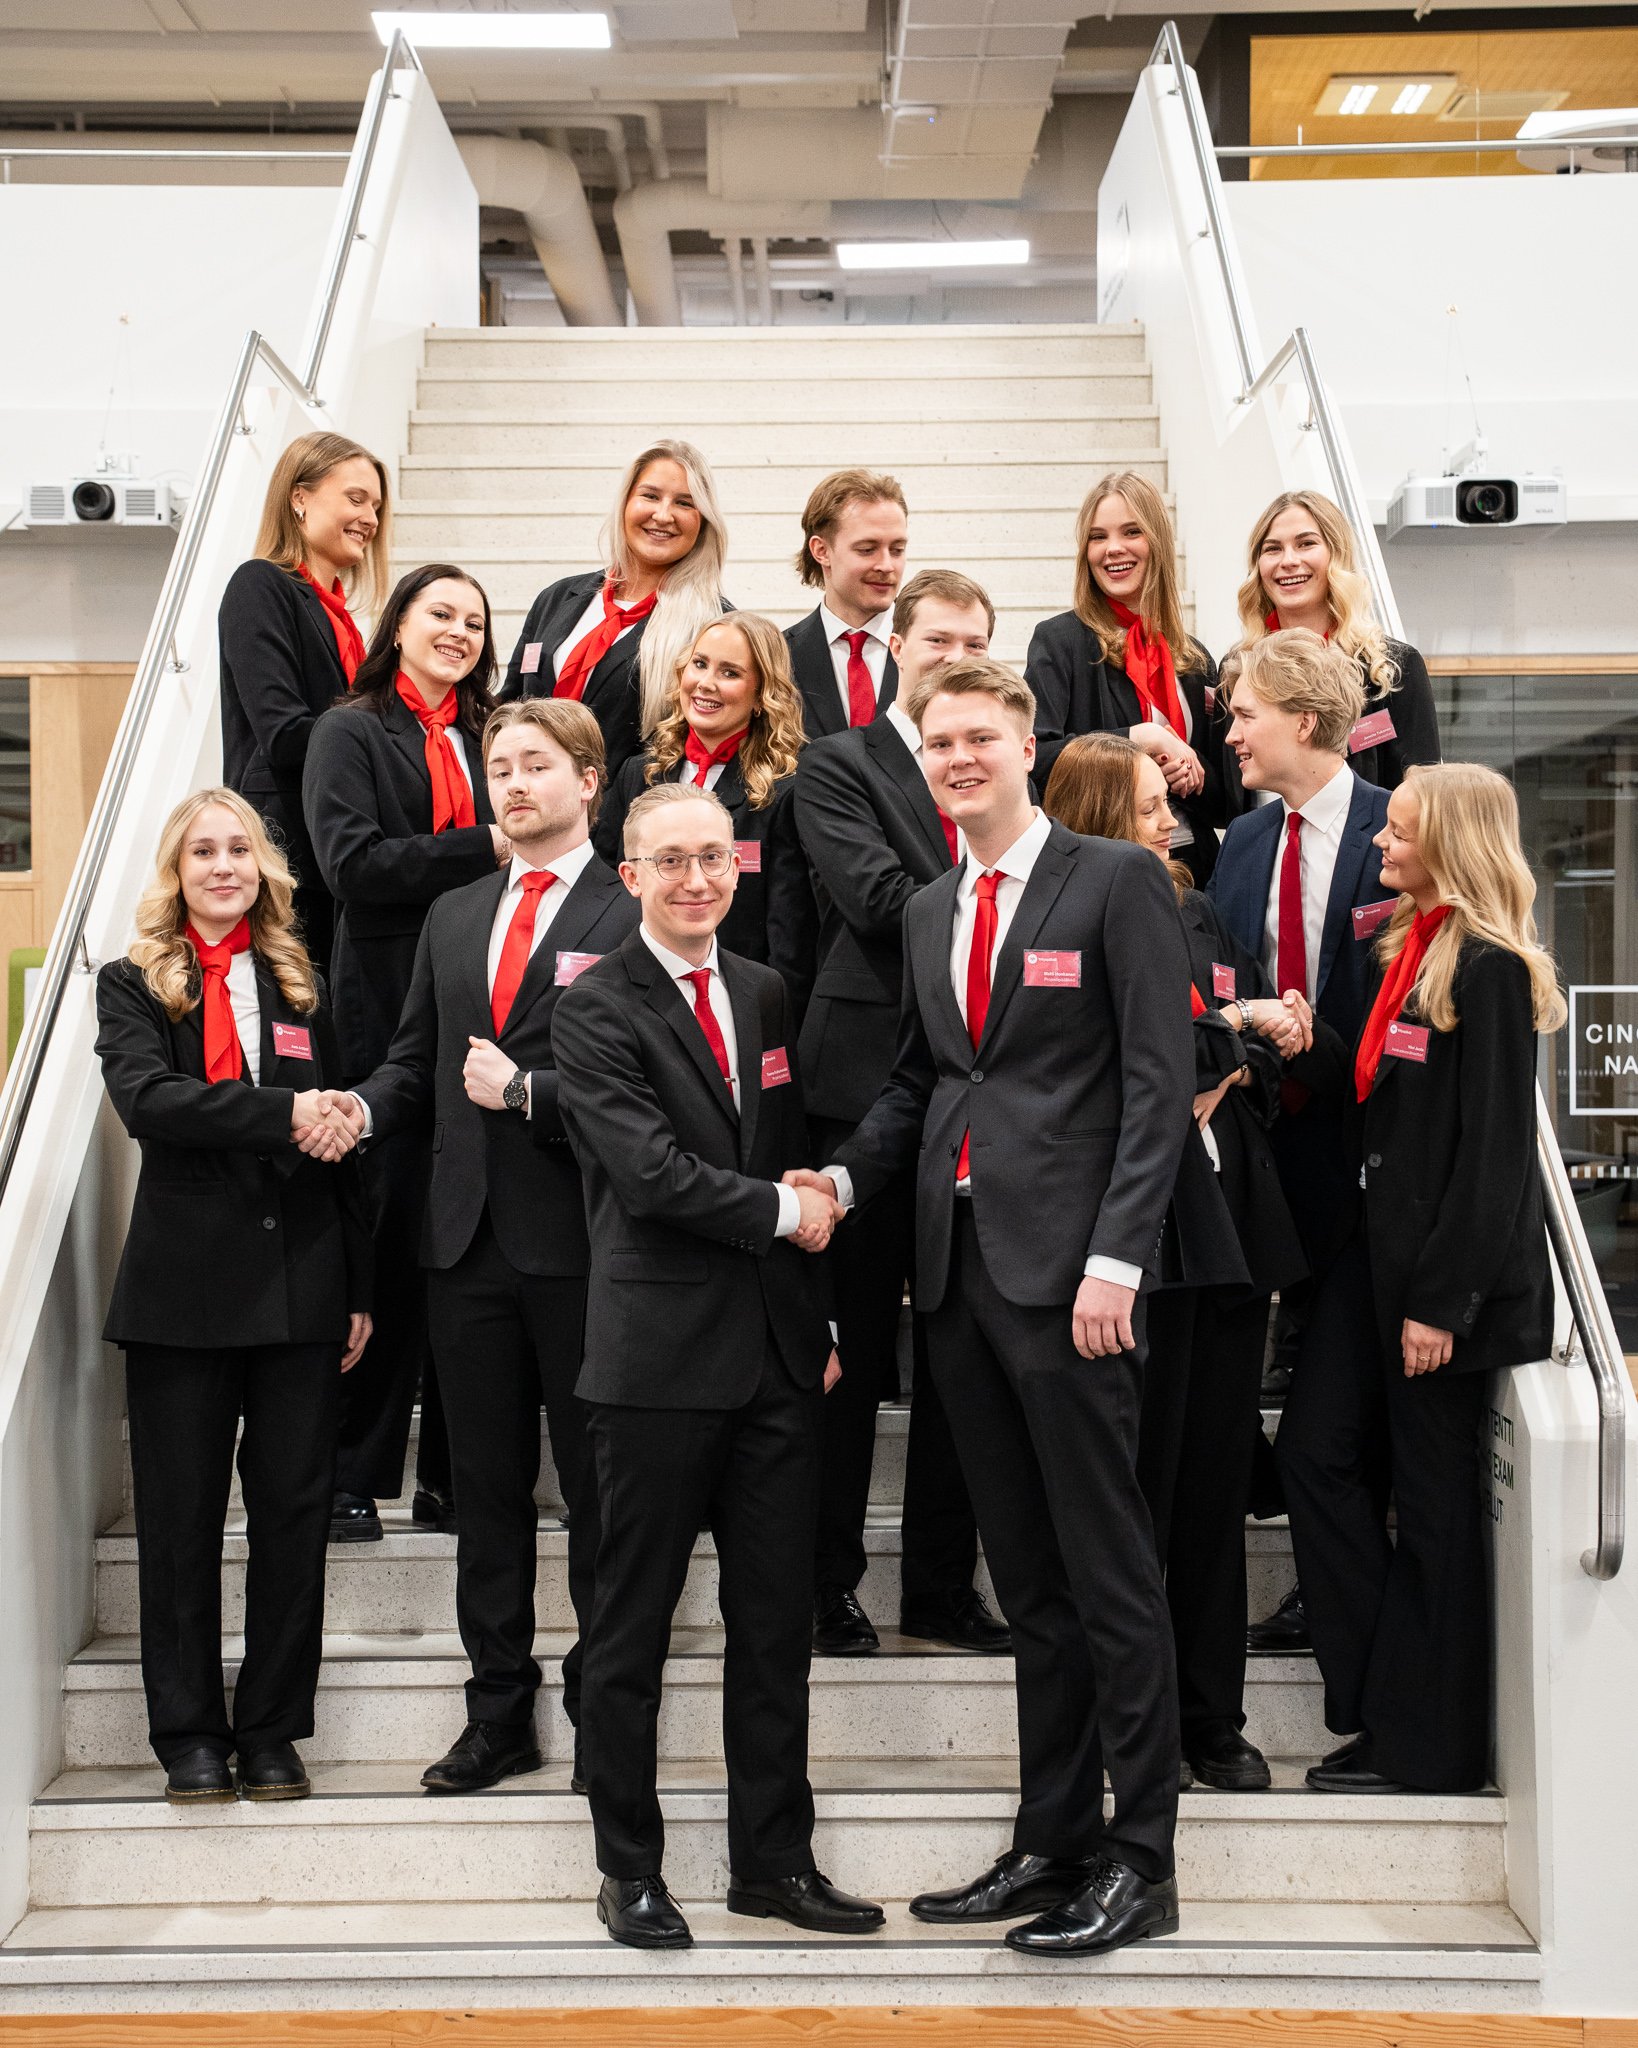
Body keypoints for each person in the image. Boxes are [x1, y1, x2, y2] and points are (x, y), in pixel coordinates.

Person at [801, 657, 1196, 1959]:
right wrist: (850, 1176)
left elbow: (1155, 1086)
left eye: (980, 735)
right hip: (957, 1282)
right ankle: (1050, 1840)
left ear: (1025, 744)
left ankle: (1141, 1859)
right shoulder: (927, 909)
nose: (959, 757)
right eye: (938, 743)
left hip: (1070, 1283)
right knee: (1026, 1584)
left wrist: (1116, 1264)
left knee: (1108, 1577)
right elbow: (923, 1084)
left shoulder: (1115, 880)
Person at [550, 782, 884, 1951]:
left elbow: (787, 1150)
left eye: (714, 858)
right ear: (628, 872)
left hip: (780, 1364)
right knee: (630, 1629)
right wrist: (790, 1221)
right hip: (654, 1368)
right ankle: (628, 1868)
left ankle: (773, 1863)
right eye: (670, 861)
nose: (697, 879)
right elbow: (649, 1175)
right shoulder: (593, 1007)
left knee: (773, 1630)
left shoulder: (764, 989)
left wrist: (824, 1319)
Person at [325, 699, 639, 1798]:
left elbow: (652, 1083)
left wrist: (536, 1095)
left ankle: (604, 1705)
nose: (513, 783)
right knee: (488, 1496)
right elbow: (415, 1063)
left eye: (537, 764)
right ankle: (497, 1710)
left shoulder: (632, 904)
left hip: (591, 1248)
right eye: (499, 765)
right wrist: (360, 1112)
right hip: (463, 1247)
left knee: (601, 1497)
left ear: (588, 778)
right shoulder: (453, 913)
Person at [1277, 764, 1564, 1794]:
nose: (1380, 847)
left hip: (1441, 1288)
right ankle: (1377, 1697)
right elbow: (1390, 1092)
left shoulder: (1487, 965)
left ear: (1448, 841)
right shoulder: (1412, 945)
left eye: (1397, 833)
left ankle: (1432, 1749)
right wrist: (1310, 1040)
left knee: (1438, 1517)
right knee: (1311, 1453)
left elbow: (1491, 1158)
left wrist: (1442, 1304)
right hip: (1371, 1256)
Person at [93, 788, 372, 1807]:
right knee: (180, 1520)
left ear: (263, 868)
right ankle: (189, 1733)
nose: (223, 865)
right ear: (176, 869)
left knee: (294, 1515)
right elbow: (151, 1103)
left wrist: (358, 1286)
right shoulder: (131, 985)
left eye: (239, 849)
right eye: (203, 849)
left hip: (302, 1288)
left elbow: (340, 1150)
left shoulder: (301, 986)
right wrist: (289, 1111)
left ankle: (268, 1728)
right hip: (181, 1296)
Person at [1043, 733, 1308, 1793]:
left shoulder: (1189, 904)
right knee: (1133, 1500)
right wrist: (1224, 1040)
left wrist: (1229, 1039)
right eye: (1152, 807)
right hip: (1120, 1238)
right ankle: (1134, 1729)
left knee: (1208, 1495)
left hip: (1222, 1230)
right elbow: (1161, 1054)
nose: (1175, 824)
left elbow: (1218, 1050)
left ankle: (1213, 1718)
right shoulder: (1054, 915)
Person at [793, 569, 1003, 1659]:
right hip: (862, 1087)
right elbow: (875, 901)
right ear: (895, 643)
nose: (952, 653)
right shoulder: (840, 762)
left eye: (974, 640)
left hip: (983, 1091)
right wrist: (997, 882)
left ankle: (941, 1585)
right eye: (936, 638)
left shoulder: (1000, 769)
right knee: (853, 1353)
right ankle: (829, 1581)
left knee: (963, 1351)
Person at [304, 565, 507, 1543]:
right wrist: (489, 845)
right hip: (386, 1000)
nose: (459, 631)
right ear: (400, 623)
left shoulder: (496, 732)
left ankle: (452, 1475)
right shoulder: (351, 728)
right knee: (385, 1233)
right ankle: (351, 1469)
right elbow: (352, 864)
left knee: (468, 1240)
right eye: (442, 613)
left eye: (474, 620)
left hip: (491, 994)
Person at [1208, 629, 1392, 1659]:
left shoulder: (1388, 830)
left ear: (1307, 722)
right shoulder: (1240, 842)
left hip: (1357, 1160)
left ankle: (1336, 1602)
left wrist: (1313, 1041)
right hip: (1255, 1148)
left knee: (1338, 1422)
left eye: (1244, 713)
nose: (1228, 729)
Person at [219, 431, 390, 966]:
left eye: (377, 507)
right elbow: (285, 732)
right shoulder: (261, 585)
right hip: (284, 853)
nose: (370, 519)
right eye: (356, 498)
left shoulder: (344, 622)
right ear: (300, 497)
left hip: (333, 848)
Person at [594, 612, 817, 1019]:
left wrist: (773, 1025)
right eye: (700, 664)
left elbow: (790, 934)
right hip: (637, 998)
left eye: (729, 672)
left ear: (761, 694)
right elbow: (604, 887)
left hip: (733, 1002)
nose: (706, 683)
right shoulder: (638, 772)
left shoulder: (787, 791)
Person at [1025, 470, 1229, 886]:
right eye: (1098, 537)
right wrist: (1140, 738)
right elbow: (1033, 760)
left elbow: (1228, 798)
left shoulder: (1194, 658)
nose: (1113, 549)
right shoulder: (1059, 641)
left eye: (1131, 531)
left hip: (1195, 869)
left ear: (1157, 541)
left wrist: (1188, 773)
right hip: (1098, 870)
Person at [498, 440, 728, 784]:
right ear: (625, 503)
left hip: (624, 821)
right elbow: (511, 701)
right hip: (530, 809)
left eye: (684, 503)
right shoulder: (558, 598)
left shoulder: (713, 625)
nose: (663, 515)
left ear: (703, 521)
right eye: (650, 496)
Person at [1235, 490, 1440, 792]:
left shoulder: (1393, 667)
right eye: (1273, 549)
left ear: (1336, 555)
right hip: (1271, 838)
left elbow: (1423, 790)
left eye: (1306, 544)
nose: (1289, 561)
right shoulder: (1239, 668)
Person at [784, 470, 909, 738]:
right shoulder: (778, 659)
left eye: (897, 550)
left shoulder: (936, 648)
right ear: (821, 550)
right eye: (867, 549)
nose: (887, 566)